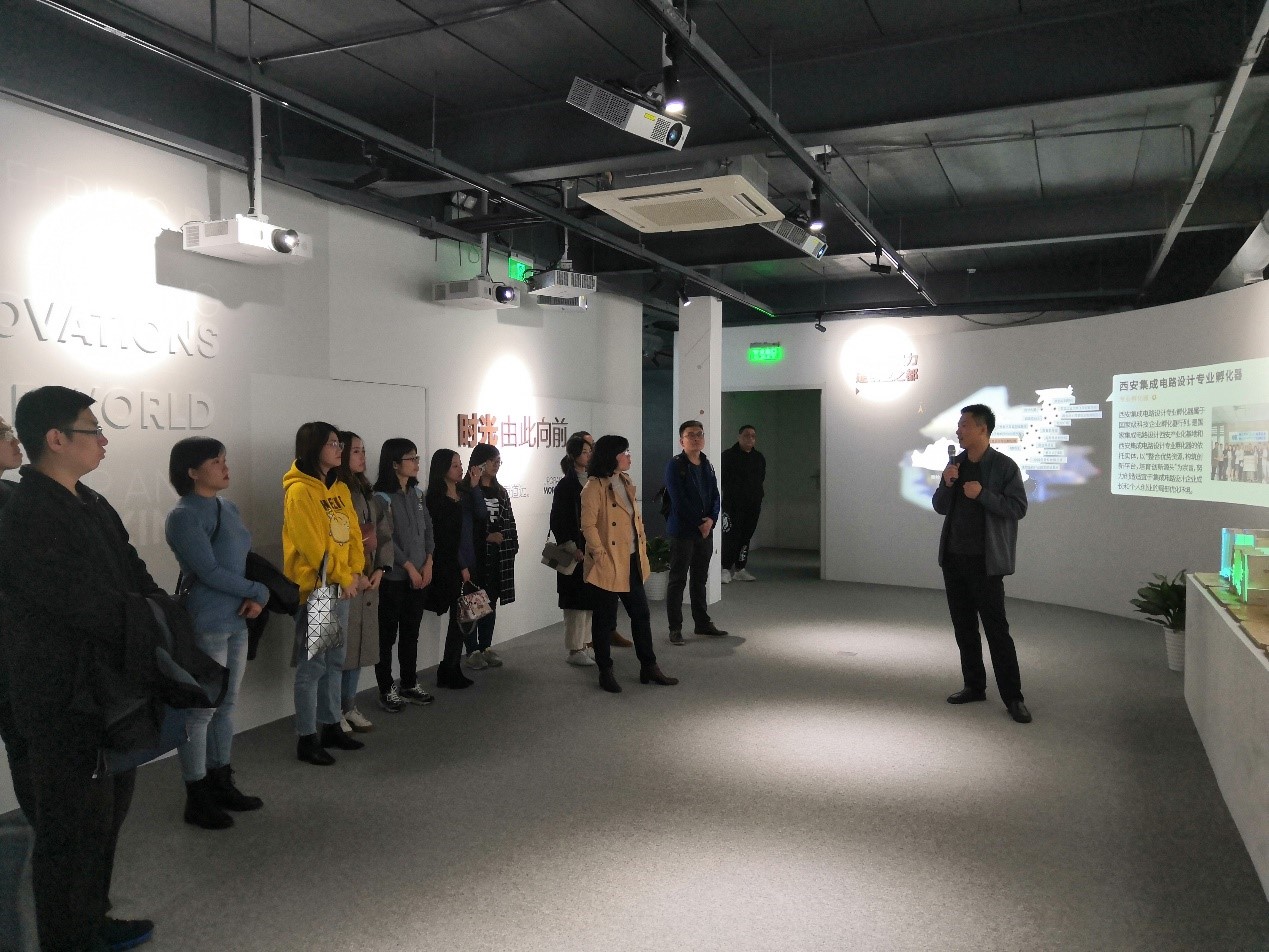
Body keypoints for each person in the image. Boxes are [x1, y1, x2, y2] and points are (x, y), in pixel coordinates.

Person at [0, 387, 156, 952]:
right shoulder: (26, 514)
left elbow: (131, 570)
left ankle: (92, 919)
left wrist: (158, 613)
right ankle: (69, 937)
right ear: (57, 439)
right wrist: (148, 622)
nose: (103, 440)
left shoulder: (91, 502)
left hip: (110, 689)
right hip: (62, 697)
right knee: (69, 830)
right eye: (93, 430)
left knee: (106, 816)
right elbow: (76, 602)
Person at [164, 437, 270, 830]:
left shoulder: (229, 507)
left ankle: (222, 781)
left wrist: (254, 597)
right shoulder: (183, 516)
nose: (225, 467)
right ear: (192, 471)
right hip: (207, 621)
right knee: (201, 711)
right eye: (215, 461)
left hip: (238, 617)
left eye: (225, 459)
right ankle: (197, 794)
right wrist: (257, 590)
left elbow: (238, 562)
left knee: (226, 706)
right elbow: (207, 571)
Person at [933, 404, 1032, 724]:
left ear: (982, 429)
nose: (958, 430)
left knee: (997, 630)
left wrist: (982, 494)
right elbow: (939, 506)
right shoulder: (955, 465)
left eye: (964, 425)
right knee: (964, 627)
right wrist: (947, 483)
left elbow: (1018, 508)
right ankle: (974, 686)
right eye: (959, 425)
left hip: (986, 564)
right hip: (954, 560)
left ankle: (1013, 697)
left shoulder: (1004, 466)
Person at [283, 422, 367, 765]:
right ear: (314, 447)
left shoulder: (341, 488)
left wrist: (356, 572)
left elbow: (354, 535)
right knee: (313, 665)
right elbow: (313, 547)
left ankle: (331, 724)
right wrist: (344, 576)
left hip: (342, 586)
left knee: (335, 659)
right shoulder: (299, 492)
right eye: (333, 444)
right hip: (318, 590)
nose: (339, 450)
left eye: (339, 444)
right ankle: (307, 737)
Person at [580, 435, 678, 693]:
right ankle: (605, 670)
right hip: (607, 562)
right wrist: (600, 555)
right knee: (604, 620)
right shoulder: (593, 487)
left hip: (631, 559)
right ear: (611, 456)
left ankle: (649, 666)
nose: (629, 456)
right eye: (625, 452)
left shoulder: (625, 481)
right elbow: (588, 526)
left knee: (641, 614)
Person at [336, 431, 394, 732]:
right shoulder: (326, 492)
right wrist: (351, 573)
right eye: (355, 451)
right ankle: (329, 713)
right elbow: (328, 544)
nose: (362, 456)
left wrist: (380, 568)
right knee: (329, 656)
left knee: (359, 648)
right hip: (334, 585)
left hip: (365, 578)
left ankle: (348, 706)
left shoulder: (366, 491)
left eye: (363, 450)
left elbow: (383, 533)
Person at [372, 438, 435, 711]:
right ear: (395, 463)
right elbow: (385, 540)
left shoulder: (418, 495)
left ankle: (409, 683)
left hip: (420, 576)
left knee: (411, 634)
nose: (417, 463)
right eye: (411, 458)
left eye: (416, 457)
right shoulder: (381, 498)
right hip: (393, 579)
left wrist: (429, 561)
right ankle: (386, 689)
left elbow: (429, 530)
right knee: (387, 637)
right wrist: (409, 566)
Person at [424, 449, 485, 689]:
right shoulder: (436, 499)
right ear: (442, 470)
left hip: (470, 561)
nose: (460, 469)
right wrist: (462, 566)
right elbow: (444, 538)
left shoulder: (464, 494)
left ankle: (452, 666)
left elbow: (481, 515)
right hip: (451, 566)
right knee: (457, 619)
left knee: (467, 618)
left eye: (460, 464)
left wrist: (475, 486)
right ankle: (448, 669)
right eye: (454, 466)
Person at [663, 420, 728, 644]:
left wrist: (711, 520)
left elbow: (716, 496)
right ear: (681, 441)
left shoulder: (707, 464)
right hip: (683, 531)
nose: (696, 438)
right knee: (678, 580)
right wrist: (699, 523)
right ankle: (675, 628)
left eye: (699, 434)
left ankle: (702, 623)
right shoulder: (675, 465)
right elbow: (678, 500)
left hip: (705, 532)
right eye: (691, 435)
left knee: (700, 579)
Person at [463, 443, 519, 670]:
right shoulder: (467, 490)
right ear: (479, 463)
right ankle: (472, 650)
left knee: (490, 601)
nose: (496, 465)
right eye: (492, 460)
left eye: (499, 461)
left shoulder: (501, 491)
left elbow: (510, 521)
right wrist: (486, 537)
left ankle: (485, 646)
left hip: (498, 555)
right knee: (473, 601)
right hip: (476, 556)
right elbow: (466, 526)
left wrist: (512, 546)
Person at [551, 434, 594, 666]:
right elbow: (558, 520)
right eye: (585, 452)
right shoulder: (566, 485)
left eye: (590, 451)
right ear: (574, 455)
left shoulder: (593, 480)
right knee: (575, 602)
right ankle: (575, 648)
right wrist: (571, 546)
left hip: (591, 549)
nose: (589, 455)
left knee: (588, 601)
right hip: (575, 551)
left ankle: (585, 644)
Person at [720, 424, 766, 583]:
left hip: (753, 504)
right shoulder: (728, 456)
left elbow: (761, 478)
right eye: (746, 435)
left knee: (746, 536)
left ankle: (740, 569)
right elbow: (722, 479)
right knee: (730, 535)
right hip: (732, 505)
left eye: (753, 436)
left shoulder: (758, 458)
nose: (750, 439)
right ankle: (725, 568)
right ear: (739, 437)